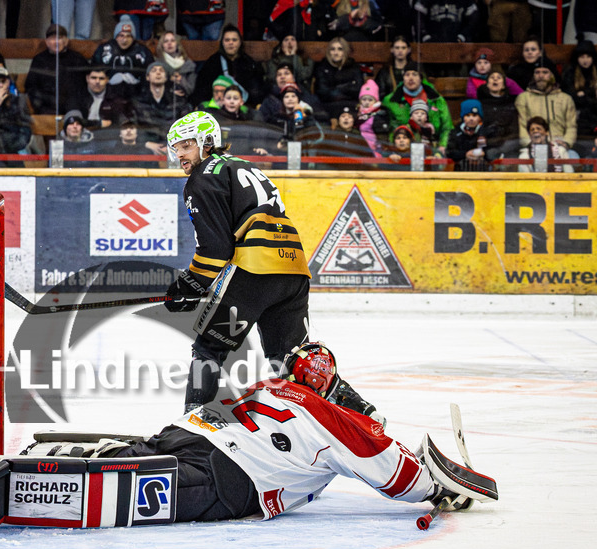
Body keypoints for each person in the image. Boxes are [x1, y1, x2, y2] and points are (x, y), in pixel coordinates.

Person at [38, 342, 497, 525]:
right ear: (326, 385)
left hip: (184, 432)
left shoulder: (262, 385)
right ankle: (32, 488)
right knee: (122, 492)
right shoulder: (327, 413)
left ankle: (70, 453)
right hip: (231, 473)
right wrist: (435, 486)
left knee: (137, 455)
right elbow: (395, 476)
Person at [163, 111, 381, 420]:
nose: (179, 155)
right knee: (292, 360)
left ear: (206, 141)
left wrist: (190, 283)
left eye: (186, 145)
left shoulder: (202, 179)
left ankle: (193, 423)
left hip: (254, 272)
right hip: (293, 271)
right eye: (175, 148)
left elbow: (216, 248)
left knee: (209, 349)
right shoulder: (244, 165)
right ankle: (361, 414)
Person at [381, 66, 453, 156]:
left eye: (415, 74)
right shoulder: (390, 100)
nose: (411, 78)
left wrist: (442, 146)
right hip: (400, 152)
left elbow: (447, 127)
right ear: (403, 78)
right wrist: (392, 150)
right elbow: (386, 129)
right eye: (407, 75)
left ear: (421, 78)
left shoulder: (436, 99)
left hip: (433, 150)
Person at [25, 23, 90, 116]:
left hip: (74, 108)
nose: (56, 42)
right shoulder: (39, 60)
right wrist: (40, 105)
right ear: (47, 42)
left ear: (66, 41)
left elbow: (87, 84)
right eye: (52, 38)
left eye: (59, 38)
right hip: (47, 109)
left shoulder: (77, 59)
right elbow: (31, 86)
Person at [193, 24, 264, 108]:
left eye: (234, 40)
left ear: (240, 42)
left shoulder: (248, 62)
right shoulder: (212, 62)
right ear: (222, 43)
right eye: (227, 40)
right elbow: (202, 89)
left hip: (243, 107)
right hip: (217, 107)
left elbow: (257, 90)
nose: (231, 43)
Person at [515, 64, 577, 154]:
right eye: (537, 72)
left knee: (574, 158)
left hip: (560, 144)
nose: (541, 75)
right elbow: (522, 125)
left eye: (545, 72)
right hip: (533, 144)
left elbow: (571, 126)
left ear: (552, 75)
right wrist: (529, 144)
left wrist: (566, 143)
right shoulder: (523, 98)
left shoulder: (565, 99)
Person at [91, 19, 154, 100]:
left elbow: (150, 73)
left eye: (128, 36)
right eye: (121, 35)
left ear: (133, 38)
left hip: (136, 94)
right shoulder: (104, 49)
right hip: (108, 93)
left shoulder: (142, 51)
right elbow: (94, 70)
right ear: (116, 37)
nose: (124, 40)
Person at [134, 62, 191, 149]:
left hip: (174, 148)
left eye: (161, 70)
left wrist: (172, 146)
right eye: (154, 70)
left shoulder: (178, 101)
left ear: (166, 77)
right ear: (147, 77)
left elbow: (187, 127)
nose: (158, 73)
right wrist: (146, 144)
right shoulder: (138, 101)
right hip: (146, 149)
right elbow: (130, 127)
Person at [560, 40, 597, 156]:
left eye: (588, 56)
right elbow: (568, 97)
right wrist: (589, 95)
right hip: (577, 122)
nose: (585, 60)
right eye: (582, 57)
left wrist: (583, 95)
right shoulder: (570, 74)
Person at [311, 36, 362, 120]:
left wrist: (337, 89)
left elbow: (358, 89)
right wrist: (347, 87)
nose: (336, 52)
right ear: (329, 52)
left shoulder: (353, 67)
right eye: (333, 49)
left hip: (351, 105)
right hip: (329, 106)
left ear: (345, 51)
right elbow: (322, 91)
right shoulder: (322, 67)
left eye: (340, 49)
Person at [67, 67, 133, 130]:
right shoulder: (77, 96)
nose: (97, 81)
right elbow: (73, 121)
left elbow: (124, 123)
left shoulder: (115, 98)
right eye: (93, 78)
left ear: (107, 80)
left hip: (107, 136)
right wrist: (99, 123)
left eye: (101, 78)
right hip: (83, 134)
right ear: (87, 78)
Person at [476, 70, 522, 159]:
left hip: (508, 146)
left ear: (503, 85)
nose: (495, 80)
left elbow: (514, 130)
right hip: (487, 147)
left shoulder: (511, 105)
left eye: (499, 78)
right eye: (492, 78)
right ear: (487, 84)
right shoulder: (480, 105)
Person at [447, 99, 498, 171]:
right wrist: (465, 154)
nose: (471, 119)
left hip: (483, 172)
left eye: (474, 116)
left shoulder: (487, 132)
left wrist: (485, 154)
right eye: (467, 115)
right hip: (461, 172)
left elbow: (495, 151)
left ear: (480, 118)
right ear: (463, 117)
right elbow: (449, 152)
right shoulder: (456, 132)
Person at [154, 31, 197, 97]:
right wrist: (170, 91)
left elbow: (191, 89)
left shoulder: (189, 64)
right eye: (166, 41)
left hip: (184, 102)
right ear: (162, 45)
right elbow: (152, 88)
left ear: (177, 44)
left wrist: (181, 80)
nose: (169, 43)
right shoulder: (156, 64)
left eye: (172, 41)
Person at [412, 0, 480, 42]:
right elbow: (418, 18)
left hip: (458, 44)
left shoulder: (465, 1)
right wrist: (425, 36)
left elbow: (473, 20)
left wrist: (462, 36)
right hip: (432, 42)